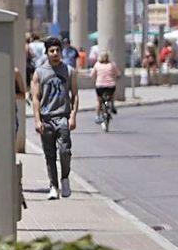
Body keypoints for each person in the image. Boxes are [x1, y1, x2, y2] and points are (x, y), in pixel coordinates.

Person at [30, 36, 78, 201]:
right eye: (52, 51)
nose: (55, 53)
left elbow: (75, 95)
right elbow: (35, 97)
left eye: (58, 50)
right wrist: (37, 120)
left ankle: (65, 178)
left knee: (65, 151)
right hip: (46, 118)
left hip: (63, 117)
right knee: (49, 155)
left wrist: (73, 117)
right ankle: (53, 186)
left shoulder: (69, 71)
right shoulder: (40, 72)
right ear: (47, 53)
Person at [88, 51, 122, 124]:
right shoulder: (112, 64)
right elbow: (118, 73)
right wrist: (118, 76)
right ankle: (112, 105)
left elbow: (92, 75)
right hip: (110, 86)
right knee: (112, 94)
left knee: (99, 101)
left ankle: (97, 116)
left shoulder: (97, 65)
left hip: (100, 86)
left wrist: (96, 78)